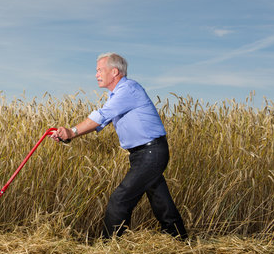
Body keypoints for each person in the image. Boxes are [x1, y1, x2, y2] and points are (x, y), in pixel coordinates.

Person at [51, 52, 188, 240]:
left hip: (151, 152)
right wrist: (68, 135)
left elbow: (101, 115)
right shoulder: (117, 95)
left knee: (120, 199)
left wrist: (71, 132)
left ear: (114, 71)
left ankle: (110, 247)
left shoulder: (128, 90)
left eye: (100, 70)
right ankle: (179, 239)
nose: (96, 74)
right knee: (160, 199)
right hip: (144, 154)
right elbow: (100, 122)